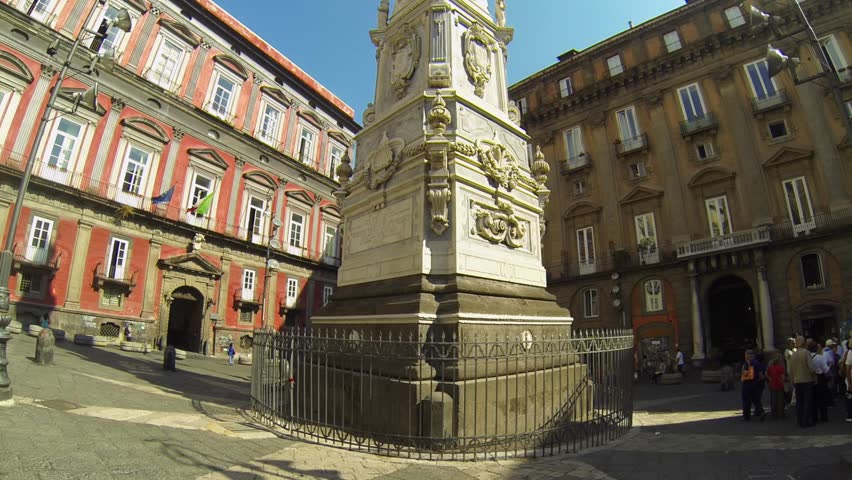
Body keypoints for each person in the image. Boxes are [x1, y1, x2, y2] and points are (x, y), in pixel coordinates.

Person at [789, 336, 816, 427]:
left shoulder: (793, 355)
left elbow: (790, 370)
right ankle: (806, 421)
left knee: (799, 402)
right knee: (807, 402)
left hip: (797, 381)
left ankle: (800, 421)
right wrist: (814, 377)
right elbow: (811, 368)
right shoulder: (806, 353)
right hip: (807, 380)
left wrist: (792, 380)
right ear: (804, 343)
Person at [740, 350, 765, 421]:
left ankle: (746, 416)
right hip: (756, 384)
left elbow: (745, 373)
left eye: (745, 355)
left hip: (747, 384)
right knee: (756, 399)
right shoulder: (758, 363)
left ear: (748, 355)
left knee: (746, 401)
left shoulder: (746, 363)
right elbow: (761, 375)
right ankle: (761, 412)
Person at [810, 340, 829, 422]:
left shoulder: (808, 357)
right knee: (822, 398)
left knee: (813, 398)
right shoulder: (819, 357)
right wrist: (830, 366)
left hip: (811, 378)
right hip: (820, 378)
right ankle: (824, 416)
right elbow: (825, 370)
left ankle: (814, 417)